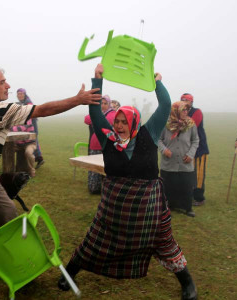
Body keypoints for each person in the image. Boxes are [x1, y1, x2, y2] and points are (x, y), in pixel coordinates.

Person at [0, 65, 101, 283]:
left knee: (8, 215)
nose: (8, 85)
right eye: (2, 82)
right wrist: (77, 100)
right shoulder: (2, 109)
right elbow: (43, 110)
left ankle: (15, 260)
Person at [58, 64, 197, 300]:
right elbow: (96, 114)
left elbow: (165, 106)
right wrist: (97, 81)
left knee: (164, 243)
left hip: (149, 210)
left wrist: (157, 83)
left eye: (124, 122)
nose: (119, 126)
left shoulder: (149, 133)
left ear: (133, 122)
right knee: (95, 241)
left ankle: (188, 284)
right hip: (114, 211)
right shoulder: (108, 138)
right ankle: (69, 273)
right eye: (117, 121)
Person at [158, 101, 199, 217]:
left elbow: (195, 140)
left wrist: (191, 154)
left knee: (186, 186)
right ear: (176, 111)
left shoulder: (191, 124)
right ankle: (168, 206)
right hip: (168, 163)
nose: (186, 112)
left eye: (187, 110)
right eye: (183, 110)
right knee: (169, 186)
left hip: (185, 163)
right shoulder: (166, 124)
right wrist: (163, 150)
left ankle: (187, 208)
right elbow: (158, 139)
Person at [181, 93, 209, 206]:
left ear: (191, 102)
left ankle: (199, 198)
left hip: (199, 148)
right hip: (186, 148)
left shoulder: (197, 112)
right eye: (182, 100)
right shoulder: (180, 112)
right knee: (188, 173)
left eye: (186, 100)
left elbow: (191, 125)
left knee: (198, 174)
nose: (184, 102)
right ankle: (188, 195)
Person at [84, 94, 116, 193]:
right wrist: (97, 115)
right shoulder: (97, 113)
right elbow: (86, 119)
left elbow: (109, 121)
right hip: (94, 144)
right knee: (94, 167)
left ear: (109, 104)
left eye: (105, 103)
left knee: (107, 167)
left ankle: (108, 189)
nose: (103, 105)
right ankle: (94, 188)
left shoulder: (113, 113)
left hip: (107, 145)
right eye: (101, 103)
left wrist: (98, 116)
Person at [16, 88, 44, 168]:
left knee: (33, 139)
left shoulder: (28, 102)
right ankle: (38, 158)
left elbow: (30, 113)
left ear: (24, 94)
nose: (20, 95)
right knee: (33, 139)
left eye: (21, 94)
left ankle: (39, 158)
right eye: (18, 94)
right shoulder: (23, 102)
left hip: (32, 123)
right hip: (28, 123)